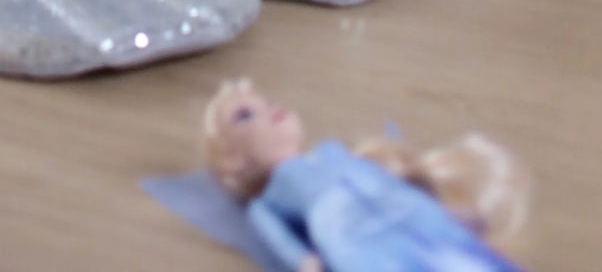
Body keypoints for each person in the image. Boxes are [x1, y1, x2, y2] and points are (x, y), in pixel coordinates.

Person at [201, 80, 530, 272]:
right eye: (245, 116)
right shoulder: (267, 200)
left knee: (457, 249)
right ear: (233, 161)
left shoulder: (333, 151)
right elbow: (278, 237)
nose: (268, 109)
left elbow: (385, 175)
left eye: (266, 102)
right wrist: (305, 262)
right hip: (348, 232)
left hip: (401, 205)